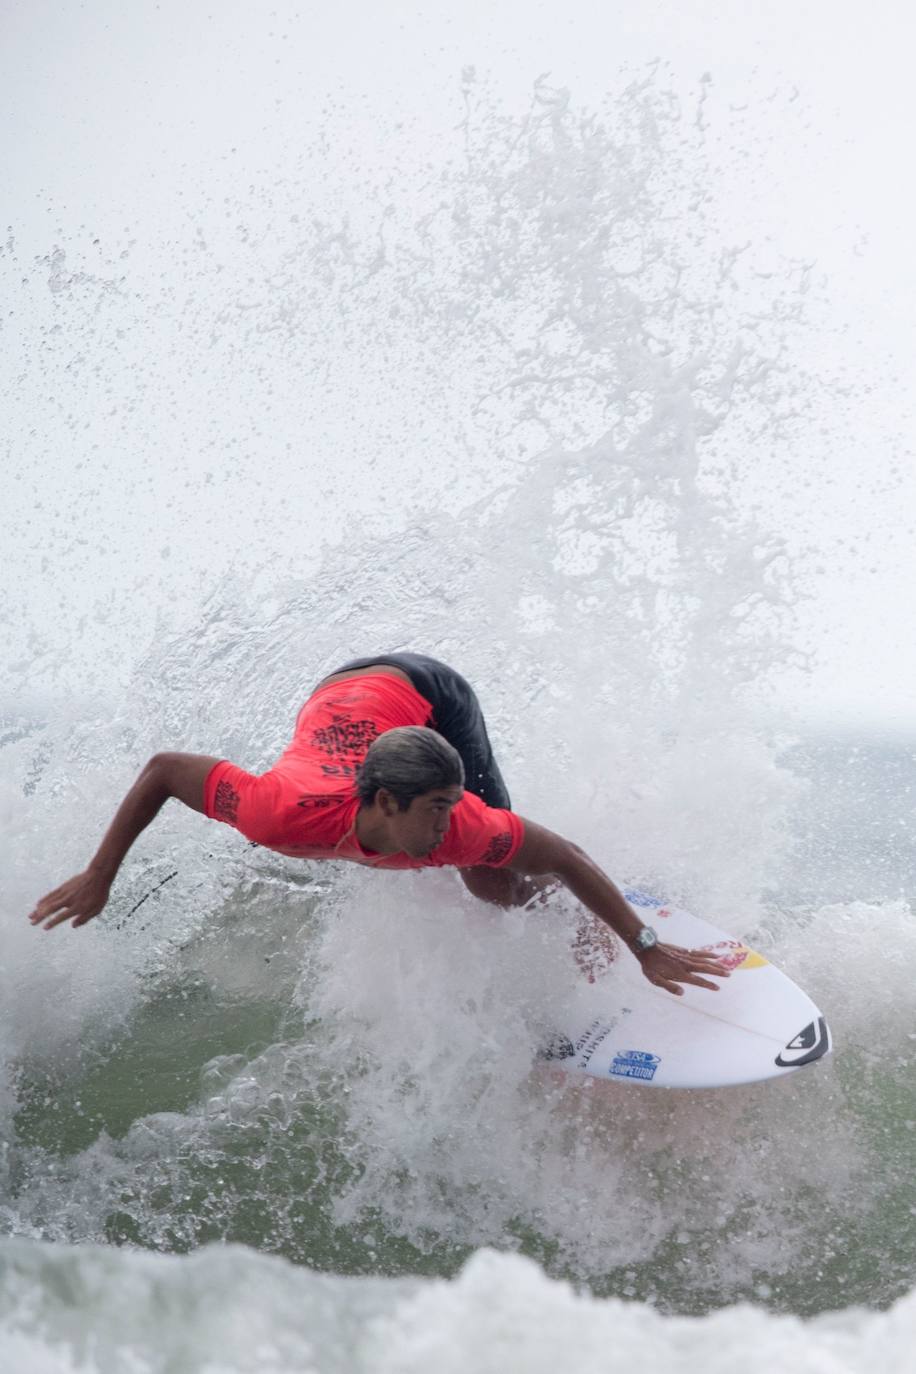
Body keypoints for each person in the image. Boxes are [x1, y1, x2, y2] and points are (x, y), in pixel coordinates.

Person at [28, 652, 729, 997]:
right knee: (469, 872)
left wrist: (643, 945)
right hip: (343, 691)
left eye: (453, 807)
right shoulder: (278, 812)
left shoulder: (460, 823)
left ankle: (593, 911)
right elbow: (162, 769)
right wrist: (100, 875)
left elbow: (565, 852)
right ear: (386, 804)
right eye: (434, 811)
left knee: (494, 883)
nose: (450, 825)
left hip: (431, 695)